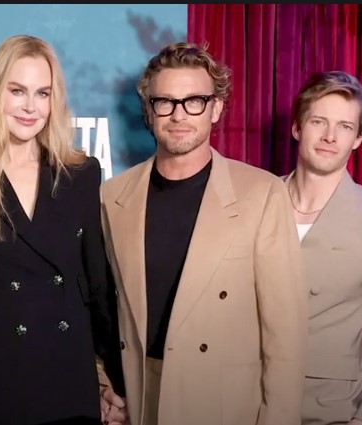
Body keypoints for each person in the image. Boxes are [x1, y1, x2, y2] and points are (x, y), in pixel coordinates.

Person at [98, 41, 307, 425]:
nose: (179, 115)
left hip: (223, 403)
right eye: (165, 102)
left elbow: (285, 336)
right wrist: (103, 382)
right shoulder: (113, 196)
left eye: (194, 101)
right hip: (141, 398)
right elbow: (100, 308)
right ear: (149, 110)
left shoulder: (261, 193)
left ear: (216, 108)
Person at [0, 34, 123, 425]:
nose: (30, 106)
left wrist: (118, 384)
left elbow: (99, 288)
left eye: (42, 93)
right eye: (17, 91)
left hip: (70, 378)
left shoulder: (81, 174)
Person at [284, 71, 362, 425]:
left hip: (326, 412)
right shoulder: (258, 202)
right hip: (242, 405)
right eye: (318, 121)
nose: (330, 136)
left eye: (345, 126)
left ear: (358, 138)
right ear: (297, 127)